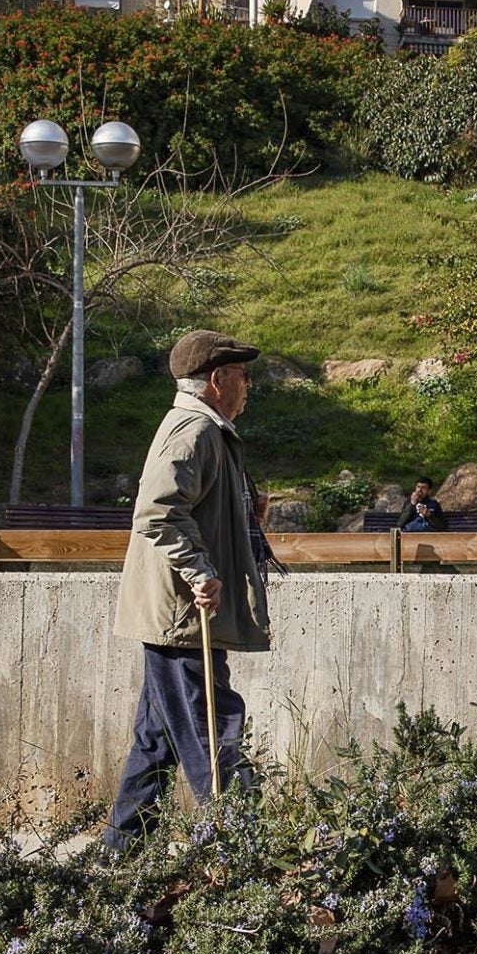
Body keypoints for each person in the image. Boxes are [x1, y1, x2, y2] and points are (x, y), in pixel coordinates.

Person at [105, 330, 269, 850]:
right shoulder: (194, 432)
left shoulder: (205, 430)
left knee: (156, 742)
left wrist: (247, 518)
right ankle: (243, 852)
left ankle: (119, 856)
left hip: (175, 616)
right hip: (183, 618)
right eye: (244, 377)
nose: (248, 387)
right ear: (218, 380)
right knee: (213, 729)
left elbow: (189, 507)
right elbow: (158, 510)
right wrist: (199, 571)